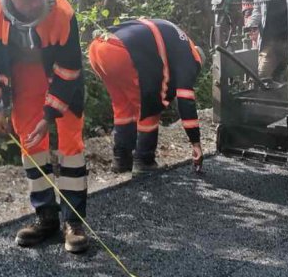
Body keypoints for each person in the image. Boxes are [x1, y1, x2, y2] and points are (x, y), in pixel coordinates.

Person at [0, 0, 89, 254]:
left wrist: (49, 115)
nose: (37, 3)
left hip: (60, 77)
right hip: (22, 75)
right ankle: (46, 217)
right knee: (30, 141)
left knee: (71, 144)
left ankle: (74, 222)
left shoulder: (61, 12)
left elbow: (69, 70)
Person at [87, 18, 205, 174]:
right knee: (150, 102)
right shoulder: (189, 57)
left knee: (123, 107)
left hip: (98, 48)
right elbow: (185, 100)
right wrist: (196, 143)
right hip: (121, 52)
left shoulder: (176, 39)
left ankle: (121, 160)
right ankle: (144, 160)